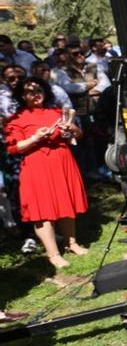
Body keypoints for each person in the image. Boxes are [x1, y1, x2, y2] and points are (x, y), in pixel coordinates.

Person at [3, 77, 89, 269]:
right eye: (29, 91)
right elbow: (13, 148)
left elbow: (78, 135)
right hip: (37, 166)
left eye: (38, 89)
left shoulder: (57, 112)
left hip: (62, 161)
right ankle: (53, 254)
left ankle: (72, 243)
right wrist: (35, 137)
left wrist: (72, 129)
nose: (35, 94)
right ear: (22, 96)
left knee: (67, 203)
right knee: (43, 210)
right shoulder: (17, 119)